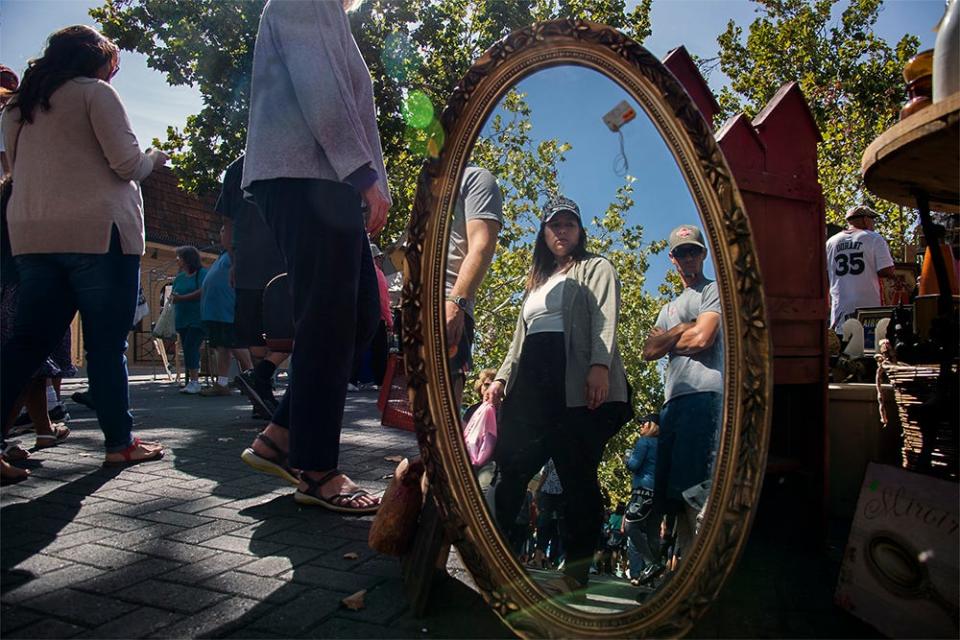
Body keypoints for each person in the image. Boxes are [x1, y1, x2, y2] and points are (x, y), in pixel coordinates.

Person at [239, 0, 390, 514]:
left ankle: (282, 435)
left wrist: (370, 182)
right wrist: (364, 176)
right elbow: (320, 85)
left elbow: (351, 108)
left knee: (363, 314)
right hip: (305, 176)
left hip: (326, 182)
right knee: (329, 319)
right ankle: (317, 468)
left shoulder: (332, 15)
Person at [0, 25, 166, 473]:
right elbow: (127, 164)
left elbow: (15, 169)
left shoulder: (17, 107)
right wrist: (156, 158)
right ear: (96, 60)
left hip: (33, 235)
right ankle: (119, 441)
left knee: (25, 343)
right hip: (99, 233)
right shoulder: (96, 94)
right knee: (106, 346)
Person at [484, 195, 633, 592]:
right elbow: (519, 340)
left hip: (576, 385)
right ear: (544, 233)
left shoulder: (595, 267)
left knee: (577, 476)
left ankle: (575, 575)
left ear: (580, 231)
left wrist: (598, 367)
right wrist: (500, 379)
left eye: (569, 224)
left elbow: (605, 315)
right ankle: (491, 557)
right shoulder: (537, 282)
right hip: (532, 388)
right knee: (512, 468)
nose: (562, 231)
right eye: (555, 225)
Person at [642, 223, 722, 565]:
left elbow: (704, 338)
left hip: (705, 396)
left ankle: (698, 569)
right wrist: (680, 330)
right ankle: (680, 569)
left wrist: (672, 341)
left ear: (703, 254)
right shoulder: (669, 308)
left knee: (697, 492)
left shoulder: (714, 290)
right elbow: (648, 350)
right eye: (681, 252)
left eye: (694, 251)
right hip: (672, 403)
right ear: (672, 259)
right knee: (672, 497)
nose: (688, 258)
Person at [215, 154, 288, 418]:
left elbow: (227, 223)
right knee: (295, 329)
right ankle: (262, 382)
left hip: (248, 260)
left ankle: (261, 396)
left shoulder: (235, 167)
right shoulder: (289, 155)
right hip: (283, 258)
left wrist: (234, 261)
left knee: (257, 334)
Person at [445, 166, 503, 404]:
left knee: (441, 405)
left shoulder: (476, 178)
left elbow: (482, 244)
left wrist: (456, 301)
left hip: (447, 305)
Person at [199, 225, 253, 396]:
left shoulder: (237, 253)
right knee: (222, 347)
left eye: (225, 231)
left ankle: (253, 378)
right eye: (221, 230)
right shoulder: (223, 255)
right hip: (215, 311)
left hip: (227, 309)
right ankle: (222, 383)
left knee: (235, 345)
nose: (222, 234)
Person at [826, 205, 895, 333]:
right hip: (868, 310)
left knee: (844, 345)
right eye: (872, 219)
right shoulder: (874, 238)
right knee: (868, 347)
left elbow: (825, 275)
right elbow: (887, 270)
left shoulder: (831, 242)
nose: (873, 223)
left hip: (840, 309)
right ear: (865, 220)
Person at [623, 414, 660, 585]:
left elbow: (634, 465)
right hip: (659, 492)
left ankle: (651, 563)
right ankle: (653, 576)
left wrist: (627, 458)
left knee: (631, 527)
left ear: (651, 425)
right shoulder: (663, 444)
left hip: (642, 491)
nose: (641, 426)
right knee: (653, 533)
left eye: (644, 423)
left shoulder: (644, 442)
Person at [170, 245, 207, 394]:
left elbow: (203, 291)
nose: (177, 260)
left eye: (179, 257)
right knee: (186, 348)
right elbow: (174, 293)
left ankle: (194, 381)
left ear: (187, 259)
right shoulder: (179, 277)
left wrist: (183, 298)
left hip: (197, 317)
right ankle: (190, 380)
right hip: (182, 317)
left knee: (191, 345)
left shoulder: (202, 273)